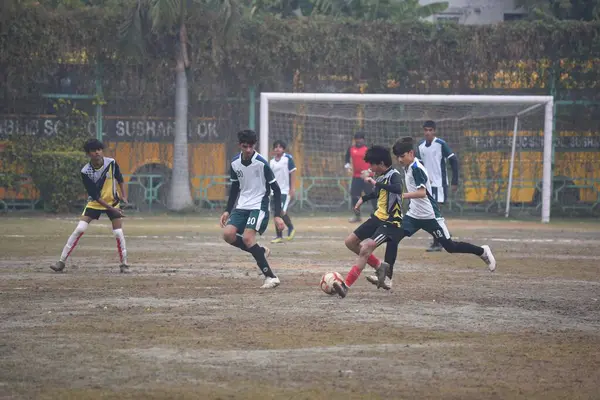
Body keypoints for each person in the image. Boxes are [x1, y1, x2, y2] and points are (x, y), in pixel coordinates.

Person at [365, 137, 495, 288]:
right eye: (398, 157)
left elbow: (422, 193)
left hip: (430, 216)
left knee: (450, 247)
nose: (400, 159)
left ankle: (482, 251)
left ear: (411, 153)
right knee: (393, 238)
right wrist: (374, 173)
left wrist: (401, 196)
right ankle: (387, 277)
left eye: (402, 156)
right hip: (413, 215)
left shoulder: (416, 168)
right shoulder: (406, 166)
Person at [333, 145, 403, 298]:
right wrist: (362, 199)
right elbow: (377, 194)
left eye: (372, 164)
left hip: (391, 223)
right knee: (350, 242)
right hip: (377, 218)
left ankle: (345, 286)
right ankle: (379, 266)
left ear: (381, 163)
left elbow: (398, 189)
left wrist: (375, 182)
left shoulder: (394, 175)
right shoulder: (381, 176)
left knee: (365, 249)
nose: (370, 167)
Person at [220, 129, 286, 289]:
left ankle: (271, 277)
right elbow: (235, 186)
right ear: (240, 145)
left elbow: (276, 189)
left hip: (259, 205)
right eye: (245, 146)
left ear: (254, 145)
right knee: (228, 235)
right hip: (242, 205)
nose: (248, 150)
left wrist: (277, 215)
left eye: (251, 146)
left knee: (248, 239)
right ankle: (260, 251)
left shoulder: (262, 163)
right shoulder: (235, 163)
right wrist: (228, 210)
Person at [51, 139, 129, 273]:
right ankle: (61, 262)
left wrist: (124, 196)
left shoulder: (111, 163)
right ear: (89, 153)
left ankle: (124, 264)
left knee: (118, 232)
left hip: (113, 202)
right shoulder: (85, 171)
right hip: (95, 203)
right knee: (79, 229)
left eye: (99, 149)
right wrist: (113, 210)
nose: (97, 152)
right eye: (94, 150)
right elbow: (96, 196)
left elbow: (120, 179)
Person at [417, 120, 459, 251]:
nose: (428, 132)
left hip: (439, 184)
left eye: (431, 130)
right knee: (430, 214)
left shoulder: (441, 144)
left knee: (434, 213)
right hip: (427, 185)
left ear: (434, 131)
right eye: (426, 130)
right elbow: (419, 166)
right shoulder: (421, 146)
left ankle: (439, 241)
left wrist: (454, 181)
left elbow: (453, 160)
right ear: (423, 131)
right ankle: (443, 236)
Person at [269, 140, 297, 243]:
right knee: (276, 213)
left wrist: (292, 188)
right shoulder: (271, 162)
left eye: (280, 147)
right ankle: (279, 236)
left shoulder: (287, 158)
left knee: (282, 211)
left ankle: (290, 228)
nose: (278, 149)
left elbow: (293, 172)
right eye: (276, 147)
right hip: (274, 191)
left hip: (284, 191)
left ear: (283, 149)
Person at [345, 131, 376, 223]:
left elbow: (374, 162)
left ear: (363, 139)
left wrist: (369, 171)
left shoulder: (368, 149)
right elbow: (346, 159)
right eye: (357, 139)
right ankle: (357, 215)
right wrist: (347, 167)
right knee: (354, 196)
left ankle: (378, 215)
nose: (359, 141)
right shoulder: (351, 149)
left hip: (367, 177)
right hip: (356, 176)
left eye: (360, 139)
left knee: (372, 196)